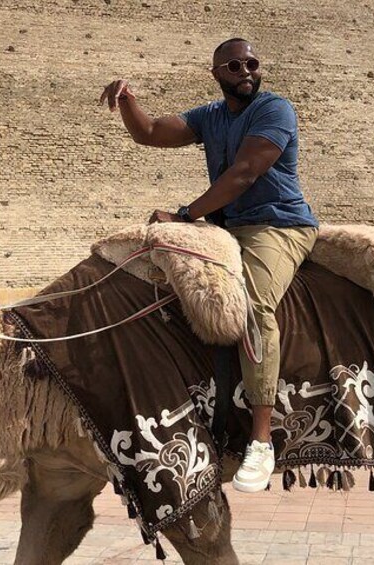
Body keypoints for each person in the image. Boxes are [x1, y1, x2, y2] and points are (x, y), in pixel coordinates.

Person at [99, 38, 319, 493]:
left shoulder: (274, 110)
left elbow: (244, 173)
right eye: (234, 65)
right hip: (228, 225)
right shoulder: (211, 116)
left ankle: (261, 440)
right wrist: (128, 101)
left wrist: (184, 216)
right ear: (217, 73)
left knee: (253, 306)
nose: (246, 71)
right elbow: (151, 132)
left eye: (252, 63)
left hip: (276, 226)